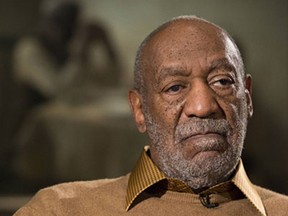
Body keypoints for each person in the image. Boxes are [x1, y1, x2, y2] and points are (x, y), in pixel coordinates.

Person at [13, 15, 288, 216]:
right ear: (140, 110)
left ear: (247, 97)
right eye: (175, 87)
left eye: (222, 82)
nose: (203, 106)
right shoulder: (59, 209)